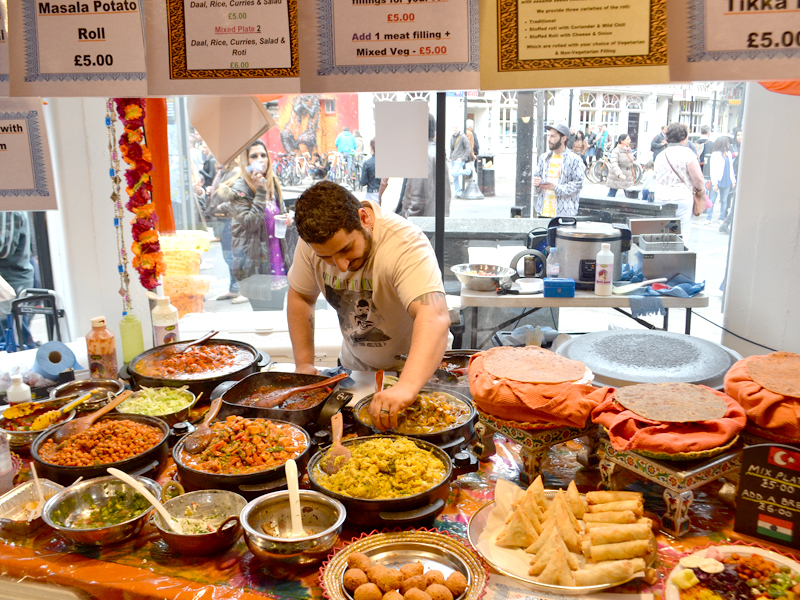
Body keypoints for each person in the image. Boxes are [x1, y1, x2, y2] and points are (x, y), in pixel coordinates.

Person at [287, 180, 451, 431]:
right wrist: (304, 365)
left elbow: (434, 316)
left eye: (346, 249)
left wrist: (406, 385)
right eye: (326, 258)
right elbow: (301, 296)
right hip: (354, 368)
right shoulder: (314, 242)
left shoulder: (405, 243)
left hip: (416, 372)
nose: (340, 265)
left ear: (364, 218)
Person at [211, 140, 291, 307]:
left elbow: (279, 214)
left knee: (277, 321)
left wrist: (288, 218)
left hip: (278, 263)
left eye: (263, 155)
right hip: (257, 266)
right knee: (265, 322)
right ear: (246, 161)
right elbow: (250, 223)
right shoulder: (240, 187)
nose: (260, 159)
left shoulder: (272, 183)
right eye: (254, 156)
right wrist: (260, 192)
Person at [654, 123, 705, 237]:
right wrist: (701, 191)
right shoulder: (687, 153)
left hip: (661, 198)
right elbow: (698, 178)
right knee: (681, 233)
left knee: (663, 234)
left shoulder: (661, 155)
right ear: (684, 137)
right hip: (681, 198)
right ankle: (677, 254)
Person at [402, 114, 452, 217]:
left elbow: (417, 202)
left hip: (422, 224)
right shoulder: (437, 151)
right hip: (436, 219)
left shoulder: (420, 155)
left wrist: (405, 221)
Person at [532, 122, 585, 218]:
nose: (549, 139)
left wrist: (555, 188)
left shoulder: (575, 159)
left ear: (563, 138)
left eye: (553, 136)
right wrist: (537, 184)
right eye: (548, 135)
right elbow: (538, 186)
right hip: (542, 211)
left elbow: (578, 184)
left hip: (564, 213)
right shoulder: (543, 158)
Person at [706, 137, 736, 225]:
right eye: (727, 143)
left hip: (727, 179)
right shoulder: (715, 154)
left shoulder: (729, 154)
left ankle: (722, 218)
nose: (729, 144)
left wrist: (733, 181)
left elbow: (731, 168)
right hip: (717, 180)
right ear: (723, 144)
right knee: (712, 200)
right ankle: (709, 218)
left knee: (724, 200)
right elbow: (713, 169)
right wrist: (714, 183)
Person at [720, 128, 742, 233]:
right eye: (738, 135)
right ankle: (725, 221)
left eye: (741, 135)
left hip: (740, 175)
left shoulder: (745, 147)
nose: (740, 137)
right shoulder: (732, 147)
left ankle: (726, 223)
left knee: (736, 202)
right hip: (733, 175)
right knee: (731, 199)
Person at [449, 126, 472, 197]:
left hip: (459, 159)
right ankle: (458, 193)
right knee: (455, 177)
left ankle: (468, 171)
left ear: (459, 129)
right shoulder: (452, 137)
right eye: (454, 128)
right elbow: (452, 149)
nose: (455, 129)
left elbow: (468, 148)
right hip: (453, 159)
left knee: (454, 173)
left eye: (456, 128)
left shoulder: (463, 137)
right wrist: (450, 158)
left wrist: (462, 158)